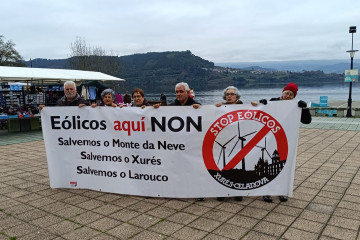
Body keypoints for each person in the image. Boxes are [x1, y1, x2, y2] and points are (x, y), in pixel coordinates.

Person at [252, 82, 311, 203]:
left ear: (294, 96)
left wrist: (304, 108)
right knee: (268, 165)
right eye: (286, 93)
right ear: (282, 93)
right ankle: (266, 191)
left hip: (287, 139)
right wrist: (262, 103)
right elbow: (260, 112)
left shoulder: (297, 105)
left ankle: (282, 191)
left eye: (291, 94)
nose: (288, 96)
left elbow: (307, 121)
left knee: (284, 166)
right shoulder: (273, 101)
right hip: (271, 139)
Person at [215, 86, 243, 202]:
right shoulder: (221, 107)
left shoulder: (244, 107)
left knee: (238, 167)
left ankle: (237, 191)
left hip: (236, 141)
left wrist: (257, 105)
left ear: (237, 96)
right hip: (224, 139)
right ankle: (222, 190)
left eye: (232, 94)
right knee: (223, 166)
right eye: (227, 94)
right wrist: (215, 109)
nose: (229, 96)